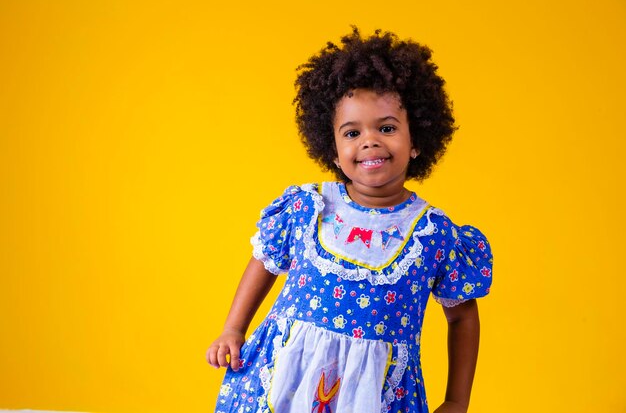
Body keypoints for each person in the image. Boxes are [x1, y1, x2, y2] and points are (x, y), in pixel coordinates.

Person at [206, 27, 493, 413]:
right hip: (284, 379)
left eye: (387, 128)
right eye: (352, 132)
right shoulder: (308, 208)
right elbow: (265, 261)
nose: (369, 141)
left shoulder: (434, 234)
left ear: (417, 141)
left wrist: (457, 400)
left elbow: (462, 318)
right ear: (335, 152)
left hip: (376, 395)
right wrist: (233, 329)